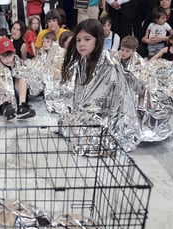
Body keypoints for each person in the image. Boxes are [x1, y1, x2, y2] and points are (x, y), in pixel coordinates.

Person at [57, 18, 140, 153]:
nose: (81, 44)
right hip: (91, 111)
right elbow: (80, 93)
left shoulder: (108, 65)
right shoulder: (84, 59)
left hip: (108, 116)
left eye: (87, 39)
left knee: (85, 140)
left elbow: (101, 102)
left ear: (98, 40)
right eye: (78, 40)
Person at [0, 37, 36, 119]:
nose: (8, 59)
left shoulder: (17, 60)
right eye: (4, 56)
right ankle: (5, 105)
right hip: (0, 97)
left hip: (15, 93)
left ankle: (22, 106)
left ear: (14, 53)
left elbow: (25, 75)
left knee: (22, 76)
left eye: (10, 56)